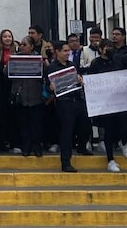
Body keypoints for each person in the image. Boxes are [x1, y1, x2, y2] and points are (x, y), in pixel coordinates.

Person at [87, 39, 127, 172]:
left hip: (120, 101)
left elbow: (125, 75)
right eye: (106, 47)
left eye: (111, 46)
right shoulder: (96, 63)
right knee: (109, 130)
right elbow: (92, 81)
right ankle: (110, 160)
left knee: (126, 124)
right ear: (100, 49)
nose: (109, 49)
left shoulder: (118, 60)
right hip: (106, 103)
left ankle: (124, 142)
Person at [47, 40, 86, 172]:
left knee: (83, 126)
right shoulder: (52, 67)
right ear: (57, 52)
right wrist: (50, 87)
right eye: (64, 51)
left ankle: (82, 147)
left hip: (77, 99)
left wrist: (80, 79)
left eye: (68, 51)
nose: (67, 53)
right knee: (66, 132)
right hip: (64, 102)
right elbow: (48, 87)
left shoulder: (72, 64)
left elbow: (78, 78)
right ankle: (65, 162)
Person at [8, 36, 46, 158]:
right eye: (21, 44)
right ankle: (26, 147)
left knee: (36, 124)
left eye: (25, 44)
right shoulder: (15, 58)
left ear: (31, 46)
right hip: (21, 96)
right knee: (23, 124)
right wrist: (9, 63)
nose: (22, 47)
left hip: (35, 96)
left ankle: (37, 147)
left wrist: (43, 64)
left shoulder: (38, 58)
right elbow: (6, 75)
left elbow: (46, 74)